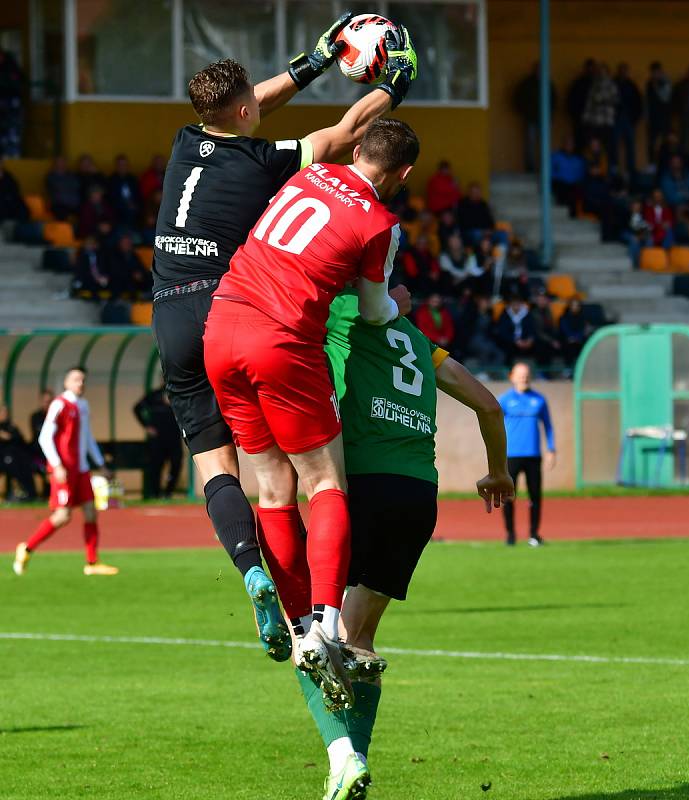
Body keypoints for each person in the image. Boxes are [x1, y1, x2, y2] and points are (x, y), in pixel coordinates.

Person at [151, 17, 416, 667]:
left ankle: (254, 576)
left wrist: (318, 59)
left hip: (171, 316)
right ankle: (323, 619)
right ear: (243, 111)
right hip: (241, 307)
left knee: (222, 470)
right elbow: (348, 136)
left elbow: (248, 102)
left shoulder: (189, 140)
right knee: (317, 479)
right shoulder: (274, 165)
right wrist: (395, 84)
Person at [204, 117, 418, 797]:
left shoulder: (310, 173)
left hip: (221, 328)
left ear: (356, 151)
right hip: (280, 340)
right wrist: (391, 303)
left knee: (271, 490)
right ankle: (325, 619)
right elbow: (379, 311)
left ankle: (298, 624)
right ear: (405, 173)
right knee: (324, 481)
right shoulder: (378, 223)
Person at [274, 289, 513, 799]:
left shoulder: (347, 323)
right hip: (417, 494)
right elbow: (490, 407)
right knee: (358, 638)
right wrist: (497, 472)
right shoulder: (424, 345)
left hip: (357, 486)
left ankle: (346, 756)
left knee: (313, 636)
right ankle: (354, 762)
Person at [13, 367, 118, 576]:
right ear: (66, 383)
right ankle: (26, 548)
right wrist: (57, 464)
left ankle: (92, 562)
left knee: (90, 512)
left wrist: (100, 464)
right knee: (62, 516)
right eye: (76, 379)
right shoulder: (59, 404)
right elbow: (44, 437)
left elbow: (87, 437)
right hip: (65, 470)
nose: (81, 383)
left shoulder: (83, 405)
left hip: (81, 470)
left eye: (83, 380)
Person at [499, 362, 555, 546]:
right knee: (508, 496)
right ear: (512, 377)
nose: (524, 378)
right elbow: (495, 427)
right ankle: (510, 535)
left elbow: (548, 426)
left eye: (526, 374)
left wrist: (551, 449)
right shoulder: (504, 400)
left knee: (535, 496)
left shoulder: (539, 399)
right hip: (511, 455)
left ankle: (534, 534)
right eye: (520, 374)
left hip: (533, 455)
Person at [133, 386, 182, 498]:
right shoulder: (154, 395)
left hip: (174, 437)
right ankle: (155, 493)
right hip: (158, 438)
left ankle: (168, 492)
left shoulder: (177, 392)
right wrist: (147, 426)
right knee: (156, 466)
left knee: (176, 464)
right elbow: (137, 408)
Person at [513, 61, 557, 172]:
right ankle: (530, 169)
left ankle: (544, 169)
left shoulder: (548, 83)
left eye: (542, 70)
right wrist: (525, 112)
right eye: (538, 69)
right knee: (530, 144)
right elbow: (518, 99)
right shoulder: (527, 83)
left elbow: (554, 101)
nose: (540, 72)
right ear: (534, 70)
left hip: (544, 119)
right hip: (531, 119)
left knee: (545, 145)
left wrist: (550, 115)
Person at [0, 405, 36, 501]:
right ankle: (12, 492)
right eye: (2, 413)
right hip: (3, 457)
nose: (4, 415)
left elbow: (20, 439)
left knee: (24, 464)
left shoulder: (11, 426)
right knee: (11, 463)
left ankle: (29, 493)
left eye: (6, 413)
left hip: (16, 456)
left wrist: (9, 436)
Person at [581, 62, 618, 156]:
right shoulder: (594, 85)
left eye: (604, 72)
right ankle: (595, 167)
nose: (602, 74)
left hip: (607, 121)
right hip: (594, 121)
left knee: (607, 146)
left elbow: (614, 100)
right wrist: (586, 117)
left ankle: (609, 168)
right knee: (594, 145)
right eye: (600, 72)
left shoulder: (612, 85)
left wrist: (601, 99)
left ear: (607, 72)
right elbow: (589, 103)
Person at [613, 63, 642, 175]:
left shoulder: (632, 85)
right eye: (621, 70)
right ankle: (615, 168)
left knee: (630, 145)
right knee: (614, 144)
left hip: (629, 119)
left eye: (625, 71)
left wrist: (634, 119)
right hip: (616, 119)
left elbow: (638, 103)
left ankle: (631, 169)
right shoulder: (613, 84)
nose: (623, 73)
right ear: (618, 71)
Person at [551, 135, 586, 216]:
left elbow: (581, 174)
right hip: (560, 183)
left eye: (571, 144)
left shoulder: (578, 159)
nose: (569, 146)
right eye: (567, 144)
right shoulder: (556, 156)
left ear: (574, 146)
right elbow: (550, 171)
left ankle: (574, 214)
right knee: (563, 189)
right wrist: (558, 178)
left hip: (573, 184)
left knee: (577, 191)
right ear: (563, 145)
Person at [646, 62, 672, 166]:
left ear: (660, 71)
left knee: (665, 142)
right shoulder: (649, 83)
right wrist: (647, 117)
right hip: (652, 118)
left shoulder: (665, 82)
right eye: (652, 72)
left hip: (664, 117)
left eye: (656, 72)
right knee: (651, 142)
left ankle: (666, 163)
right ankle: (651, 164)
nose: (654, 74)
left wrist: (656, 86)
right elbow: (646, 102)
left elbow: (665, 98)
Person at [496, 296, 536, 366]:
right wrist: (515, 340)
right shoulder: (505, 315)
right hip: (511, 341)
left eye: (518, 303)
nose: (516, 306)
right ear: (510, 304)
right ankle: (508, 370)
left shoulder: (527, 314)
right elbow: (503, 332)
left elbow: (532, 328)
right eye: (514, 304)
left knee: (539, 346)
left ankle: (539, 371)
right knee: (506, 348)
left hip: (525, 341)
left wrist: (530, 339)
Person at [567, 59, 596, 152]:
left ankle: (593, 164)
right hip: (579, 118)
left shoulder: (598, 83)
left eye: (592, 68)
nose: (590, 70)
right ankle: (579, 163)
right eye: (588, 68)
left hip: (594, 119)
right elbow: (571, 100)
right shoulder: (578, 83)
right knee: (579, 141)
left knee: (593, 142)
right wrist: (574, 114)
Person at [29, 390, 54, 497]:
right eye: (45, 401)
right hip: (39, 454)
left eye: (49, 401)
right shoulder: (35, 417)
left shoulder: (57, 416)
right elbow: (39, 435)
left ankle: (50, 494)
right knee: (40, 469)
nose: (47, 404)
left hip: (53, 454)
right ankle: (40, 494)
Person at [106, 154, 141, 228]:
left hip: (133, 207)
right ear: (116, 166)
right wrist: (125, 205)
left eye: (124, 164)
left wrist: (135, 204)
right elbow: (111, 198)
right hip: (118, 208)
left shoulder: (133, 179)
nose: (122, 167)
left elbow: (138, 195)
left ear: (128, 166)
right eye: (120, 164)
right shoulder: (111, 180)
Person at [45, 156, 81, 220]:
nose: (61, 164)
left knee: (86, 213)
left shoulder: (72, 175)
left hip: (74, 204)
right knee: (61, 215)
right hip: (59, 204)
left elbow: (76, 186)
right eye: (59, 162)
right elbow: (58, 187)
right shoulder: (51, 176)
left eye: (63, 162)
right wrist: (67, 186)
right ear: (55, 164)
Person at [672, 66, 689, 152]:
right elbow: (675, 100)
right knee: (684, 138)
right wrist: (677, 114)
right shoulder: (681, 85)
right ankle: (685, 158)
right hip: (685, 114)